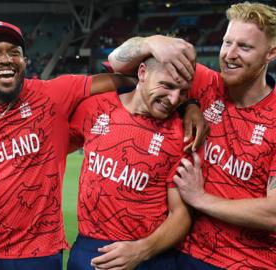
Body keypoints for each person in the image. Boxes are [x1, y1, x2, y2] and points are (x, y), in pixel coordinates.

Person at [0, 21, 206, 270]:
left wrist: (188, 103)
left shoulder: (55, 94)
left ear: (24, 60)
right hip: (1, 251)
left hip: (46, 253)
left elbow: (120, 77)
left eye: (14, 52)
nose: (5, 58)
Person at [108, 2, 276, 269]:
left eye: (245, 47)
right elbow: (117, 63)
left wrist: (200, 198)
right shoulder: (203, 84)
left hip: (252, 263)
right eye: (227, 42)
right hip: (186, 255)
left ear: (271, 53)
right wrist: (151, 43)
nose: (230, 54)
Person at [66, 57, 192, 270]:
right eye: (167, 86)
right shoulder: (95, 107)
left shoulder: (183, 135)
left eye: (183, 92)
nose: (174, 99)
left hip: (148, 256)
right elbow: (50, 148)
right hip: (90, 250)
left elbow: (182, 214)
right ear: (142, 73)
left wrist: (142, 250)